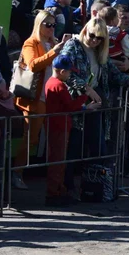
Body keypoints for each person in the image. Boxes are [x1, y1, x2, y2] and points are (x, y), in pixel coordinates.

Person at [61, 18, 129, 180]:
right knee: (74, 146)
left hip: (94, 103)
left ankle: (95, 184)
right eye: (92, 35)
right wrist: (85, 88)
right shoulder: (72, 46)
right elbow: (62, 72)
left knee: (97, 146)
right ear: (85, 30)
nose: (94, 40)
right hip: (75, 102)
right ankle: (66, 185)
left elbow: (113, 72)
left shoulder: (99, 51)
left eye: (99, 38)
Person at [12, 10, 72, 191]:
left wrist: (64, 47)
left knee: (51, 139)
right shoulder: (31, 43)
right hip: (35, 97)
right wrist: (54, 52)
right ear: (39, 25)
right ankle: (16, 173)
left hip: (51, 97)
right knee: (31, 138)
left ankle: (55, 180)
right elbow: (33, 65)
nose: (52, 28)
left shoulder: (53, 42)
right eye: (48, 25)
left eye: (54, 25)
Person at [44, 54, 96, 206]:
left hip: (56, 125)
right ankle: (54, 193)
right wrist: (85, 99)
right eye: (68, 72)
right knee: (58, 161)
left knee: (57, 160)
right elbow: (71, 106)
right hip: (59, 126)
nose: (69, 74)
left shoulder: (51, 82)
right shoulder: (59, 85)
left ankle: (57, 191)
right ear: (61, 71)